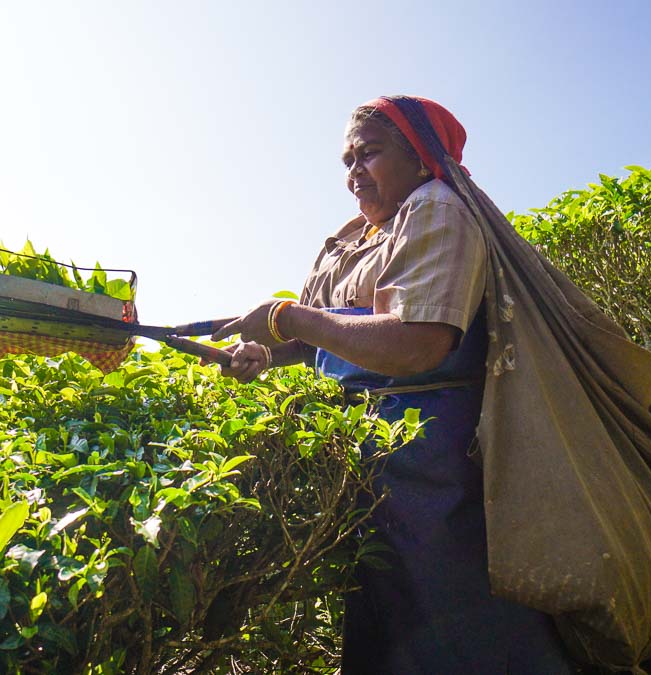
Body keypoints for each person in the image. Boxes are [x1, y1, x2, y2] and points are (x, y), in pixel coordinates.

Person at [211, 95, 577, 673]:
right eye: (347, 161)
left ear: (420, 156)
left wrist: (287, 316)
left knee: (456, 611)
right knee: (388, 611)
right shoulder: (352, 238)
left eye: (370, 154)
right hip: (371, 451)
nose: (355, 173)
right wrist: (265, 352)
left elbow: (418, 342)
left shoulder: (436, 209)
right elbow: (323, 337)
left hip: (434, 453)